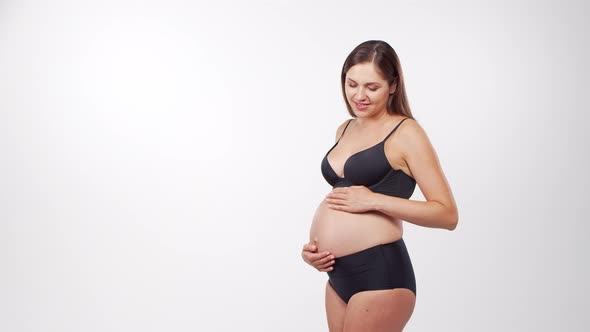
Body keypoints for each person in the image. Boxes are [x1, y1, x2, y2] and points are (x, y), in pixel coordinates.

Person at [301, 40, 458, 332]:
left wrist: (373, 200)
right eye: (351, 84)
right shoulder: (346, 128)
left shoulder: (406, 132)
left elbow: (447, 215)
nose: (358, 95)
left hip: (380, 275)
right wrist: (313, 251)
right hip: (338, 277)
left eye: (371, 87)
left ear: (393, 86)